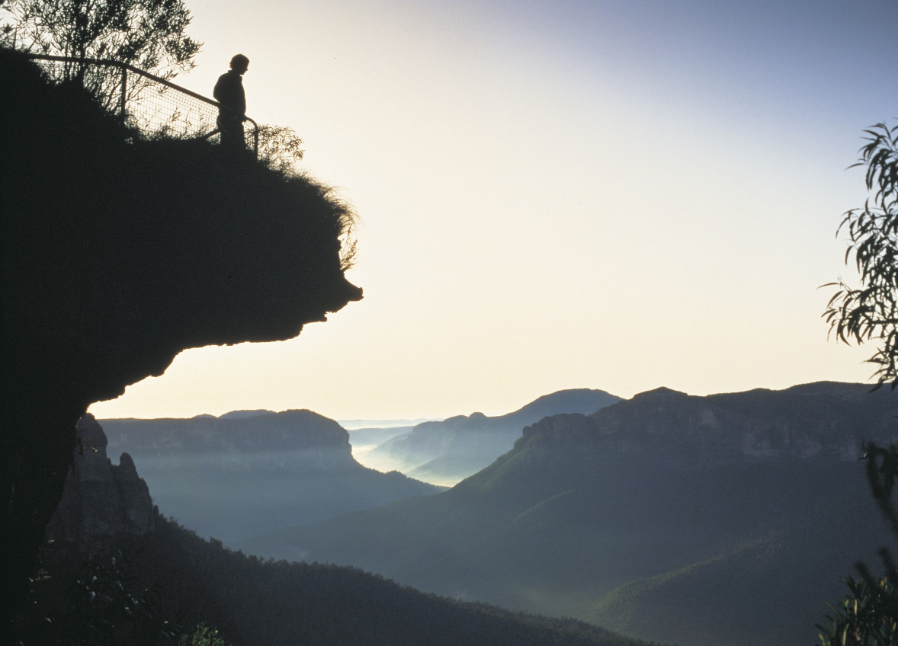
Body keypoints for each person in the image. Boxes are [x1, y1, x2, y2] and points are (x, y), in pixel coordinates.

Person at [213, 54, 249, 149]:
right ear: (239, 65)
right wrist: (233, 108)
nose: (246, 69)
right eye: (245, 66)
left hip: (235, 118)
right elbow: (217, 94)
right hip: (228, 118)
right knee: (231, 147)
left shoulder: (235, 80)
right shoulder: (226, 78)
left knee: (235, 147)